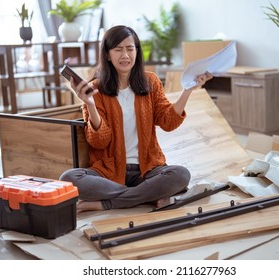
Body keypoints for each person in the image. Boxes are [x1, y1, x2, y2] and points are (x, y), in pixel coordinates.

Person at [59, 25, 212, 212]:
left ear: (137, 52)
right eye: (118, 49)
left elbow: (168, 122)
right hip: (110, 172)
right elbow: (99, 141)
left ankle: (107, 203)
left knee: (180, 175)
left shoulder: (151, 82)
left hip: (148, 170)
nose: (125, 55)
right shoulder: (94, 90)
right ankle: (146, 196)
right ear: (107, 55)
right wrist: (90, 104)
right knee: (68, 178)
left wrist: (188, 89)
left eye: (130, 48)